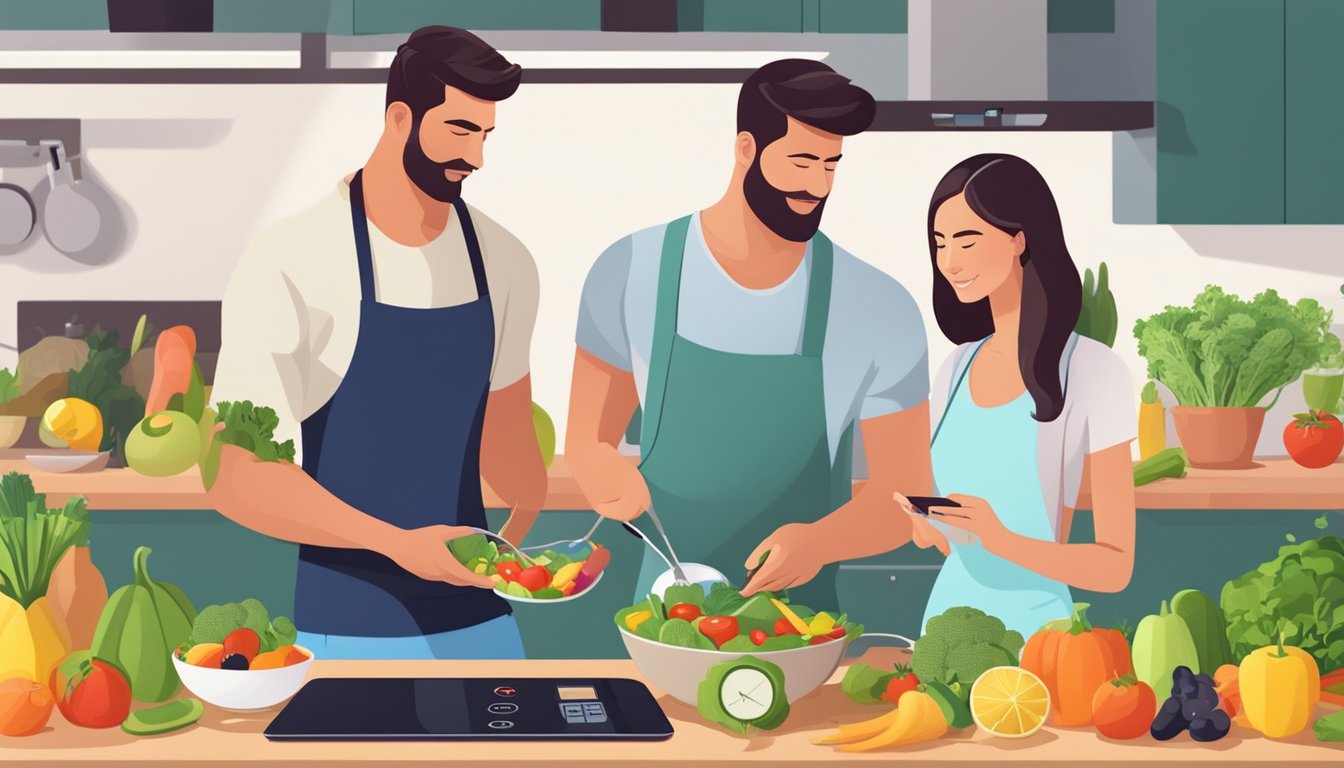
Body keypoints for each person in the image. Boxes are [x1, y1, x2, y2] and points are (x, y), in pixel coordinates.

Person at [208, 26, 546, 660]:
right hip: (347, 628)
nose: (476, 157)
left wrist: (535, 536)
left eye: (484, 135)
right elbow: (239, 478)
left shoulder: (503, 260)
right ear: (399, 117)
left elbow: (508, 442)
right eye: (458, 130)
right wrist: (398, 543)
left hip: (483, 625)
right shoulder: (291, 258)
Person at [567, 59, 933, 610]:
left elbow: (905, 498)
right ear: (745, 149)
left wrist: (819, 542)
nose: (818, 186)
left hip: (801, 634)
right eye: (802, 161)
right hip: (661, 622)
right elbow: (586, 441)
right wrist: (602, 473)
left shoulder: (880, 307)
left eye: (832, 164)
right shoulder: (629, 270)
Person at [781, 153, 1136, 640]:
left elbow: (1114, 569)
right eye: (940, 242)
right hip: (943, 631)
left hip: (1042, 645)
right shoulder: (955, 368)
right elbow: (958, 547)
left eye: (967, 240)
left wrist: (999, 539)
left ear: (1019, 240)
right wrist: (932, 527)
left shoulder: (1093, 371)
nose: (949, 261)